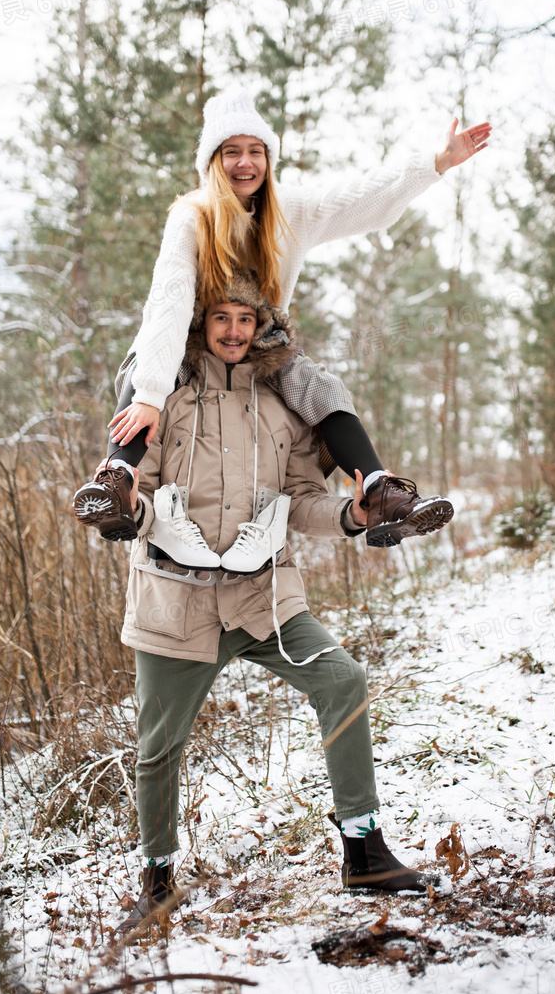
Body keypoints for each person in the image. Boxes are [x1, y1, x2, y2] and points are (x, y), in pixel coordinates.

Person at [116, 271, 451, 933]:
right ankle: (156, 883)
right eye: (223, 319)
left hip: (265, 598)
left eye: (246, 319)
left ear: (262, 326)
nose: (235, 332)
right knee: (158, 747)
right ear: (200, 325)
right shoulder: (167, 400)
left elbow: (301, 502)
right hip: (175, 605)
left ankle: (364, 851)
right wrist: (134, 510)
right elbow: (137, 486)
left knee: (343, 680)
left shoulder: (280, 408)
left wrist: (352, 515)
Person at [73, 88, 491, 549]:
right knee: (147, 367)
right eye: (231, 152)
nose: (244, 163)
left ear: (268, 159)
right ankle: (117, 480)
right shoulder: (192, 216)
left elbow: (359, 200)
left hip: (260, 338)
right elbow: (170, 301)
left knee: (322, 386)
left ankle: (380, 492)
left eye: (255, 151)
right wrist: (151, 393)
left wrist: (433, 164)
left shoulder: (289, 210)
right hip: (190, 334)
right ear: (213, 161)